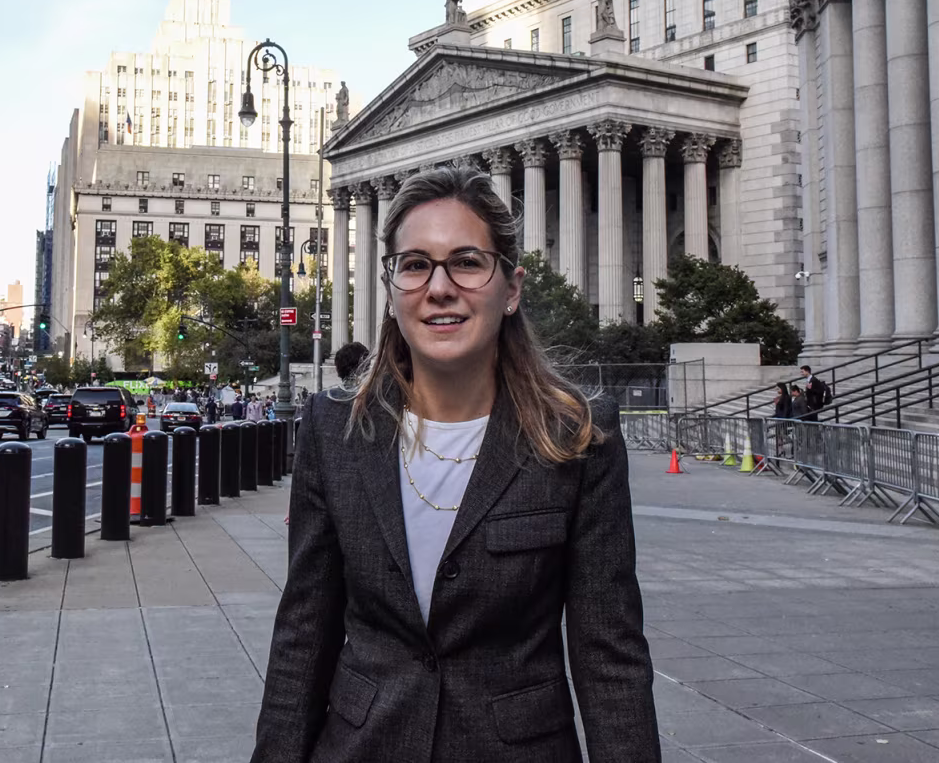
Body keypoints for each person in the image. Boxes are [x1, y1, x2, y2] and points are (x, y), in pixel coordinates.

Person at [252, 167, 659, 762]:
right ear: (391, 289)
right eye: (415, 265)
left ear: (511, 289)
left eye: (467, 262)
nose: (439, 288)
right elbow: (303, 633)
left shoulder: (577, 436)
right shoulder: (332, 429)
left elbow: (609, 653)